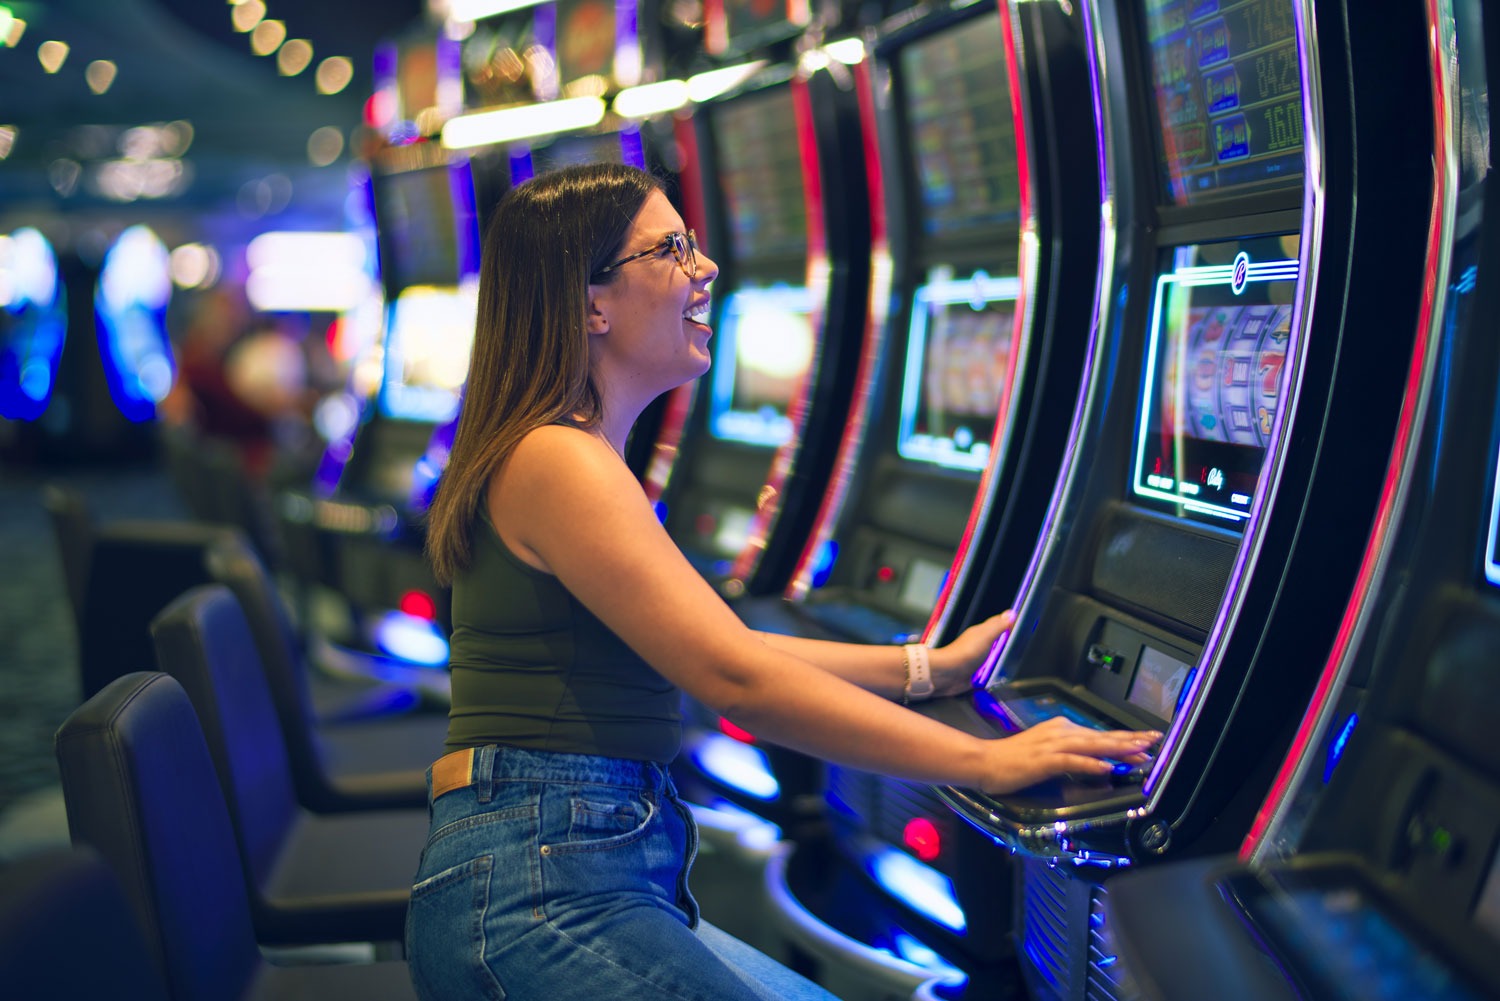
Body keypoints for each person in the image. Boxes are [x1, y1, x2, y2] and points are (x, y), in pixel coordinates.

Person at [408, 163, 1159, 1001]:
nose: (706, 268)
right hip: (532, 896)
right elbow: (738, 681)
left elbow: (722, 646)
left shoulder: (567, 453)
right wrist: (986, 759)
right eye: (672, 248)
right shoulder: (559, 460)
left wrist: (926, 668)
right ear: (592, 302)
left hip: (560, 863)